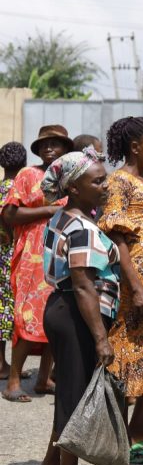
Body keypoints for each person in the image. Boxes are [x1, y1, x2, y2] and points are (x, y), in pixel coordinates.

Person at [36, 149, 120, 465]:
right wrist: (101, 338)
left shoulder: (62, 217)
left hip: (60, 309)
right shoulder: (83, 228)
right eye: (97, 181)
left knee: (70, 390)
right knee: (76, 396)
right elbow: (84, 285)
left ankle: (50, 463)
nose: (105, 185)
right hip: (77, 314)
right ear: (73, 186)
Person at [96, 116, 143, 464]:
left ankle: (135, 430)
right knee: (127, 361)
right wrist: (137, 288)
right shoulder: (118, 183)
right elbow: (116, 238)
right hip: (133, 285)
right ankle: (122, 438)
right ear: (135, 147)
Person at [2, 125, 72, 401]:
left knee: (57, 317)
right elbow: (9, 215)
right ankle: (14, 381)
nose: (49, 148)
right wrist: (50, 209)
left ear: (66, 149)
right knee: (28, 316)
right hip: (32, 253)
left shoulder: (70, 178)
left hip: (62, 253)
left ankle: (44, 378)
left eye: (55, 143)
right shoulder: (28, 174)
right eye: (44, 144)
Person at [0, 142, 27, 390]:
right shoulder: (17, 190)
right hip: (10, 255)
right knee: (9, 308)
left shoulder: (0, 187)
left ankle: (3, 363)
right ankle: (3, 364)